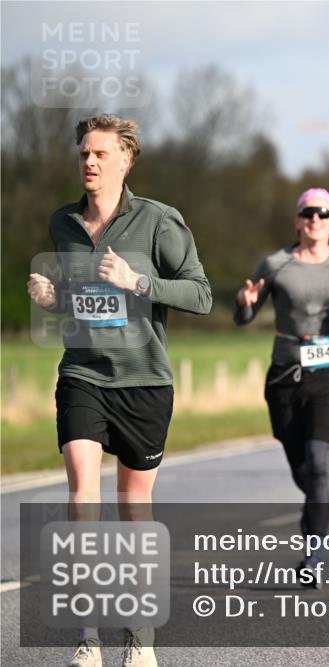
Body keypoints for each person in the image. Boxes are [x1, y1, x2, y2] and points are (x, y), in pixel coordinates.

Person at [26, 114, 212, 667]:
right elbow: (78, 299)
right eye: (84, 153)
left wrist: (138, 282)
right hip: (83, 374)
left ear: (125, 159)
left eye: (101, 154)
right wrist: (51, 296)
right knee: (83, 495)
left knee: (135, 507)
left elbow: (201, 294)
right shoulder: (62, 222)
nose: (89, 162)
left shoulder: (158, 221)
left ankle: (140, 638)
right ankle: (87, 639)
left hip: (145, 382)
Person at [235, 188, 329, 584]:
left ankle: (314, 557)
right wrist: (245, 303)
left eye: (323, 213)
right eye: (307, 213)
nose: (315, 219)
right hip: (284, 375)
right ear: (297, 221)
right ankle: (316, 505)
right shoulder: (276, 264)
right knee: (304, 469)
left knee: (319, 463)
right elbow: (244, 316)